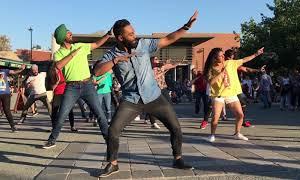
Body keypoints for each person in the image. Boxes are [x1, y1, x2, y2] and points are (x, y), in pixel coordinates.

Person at [94, 11, 198, 177]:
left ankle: (177, 159)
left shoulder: (144, 45)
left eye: (133, 31)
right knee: (113, 130)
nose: (134, 35)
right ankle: (113, 164)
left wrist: (186, 27)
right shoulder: (112, 54)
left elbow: (169, 39)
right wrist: (115, 61)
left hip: (154, 97)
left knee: (176, 128)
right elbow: (98, 71)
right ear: (120, 38)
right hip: (131, 100)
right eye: (130, 34)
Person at [42, 24, 112, 149]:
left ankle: (109, 140)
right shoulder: (58, 53)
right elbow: (58, 66)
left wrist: (107, 35)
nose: (71, 34)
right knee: (62, 114)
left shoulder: (80, 46)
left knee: (100, 114)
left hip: (88, 85)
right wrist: (72, 54)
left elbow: (96, 44)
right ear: (63, 38)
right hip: (71, 87)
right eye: (68, 33)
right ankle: (52, 140)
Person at [203, 47, 264, 143]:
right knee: (216, 117)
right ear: (215, 57)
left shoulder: (230, 63)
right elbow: (210, 82)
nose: (223, 56)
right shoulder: (211, 68)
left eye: (223, 55)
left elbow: (244, 60)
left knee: (240, 115)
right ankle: (212, 135)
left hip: (230, 93)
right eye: (221, 55)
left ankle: (237, 133)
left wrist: (256, 54)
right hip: (218, 95)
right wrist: (221, 74)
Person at [47, 62, 78, 132]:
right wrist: (57, 82)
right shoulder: (52, 75)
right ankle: (54, 127)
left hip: (66, 92)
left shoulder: (64, 71)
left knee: (70, 110)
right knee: (54, 111)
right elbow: (51, 88)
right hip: (57, 93)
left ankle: (72, 126)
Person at [0, 65, 26, 132]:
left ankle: (13, 126)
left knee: (7, 110)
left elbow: (14, 72)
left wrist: (21, 69)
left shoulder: (4, 70)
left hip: (6, 94)